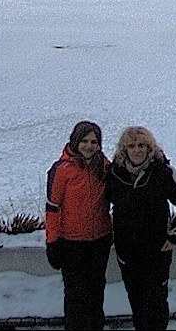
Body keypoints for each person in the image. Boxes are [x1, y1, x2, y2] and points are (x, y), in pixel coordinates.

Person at [107, 125, 176, 331]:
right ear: (124, 149)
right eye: (131, 146)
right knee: (136, 302)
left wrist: (173, 236)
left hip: (157, 250)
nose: (137, 150)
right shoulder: (114, 173)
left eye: (142, 145)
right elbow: (103, 205)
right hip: (127, 251)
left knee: (156, 303)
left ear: (150, 148)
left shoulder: (162, 172)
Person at [45, 120, 114, 331]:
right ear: (75, 141)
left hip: (99, 239)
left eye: (94, 141)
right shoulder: (62, 170)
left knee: (96, 292)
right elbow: (52, 208)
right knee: (75, 296)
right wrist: (52, 242)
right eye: (84, 141)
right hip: (71, 243)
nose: (89, 146)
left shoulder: (103, 165)